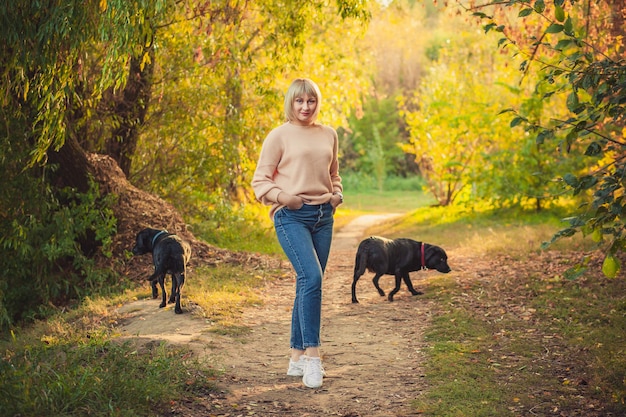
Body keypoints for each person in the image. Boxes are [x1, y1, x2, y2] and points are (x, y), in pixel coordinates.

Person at [251, 78, 343, 389]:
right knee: (313, 279)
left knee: (307, 283)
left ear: (318, 102)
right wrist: (284, 198)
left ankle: (295, 358)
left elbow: (334, 174)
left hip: (323, 217)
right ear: (291, 103)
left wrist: (336, 195)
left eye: (311, 101)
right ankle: (313, 359)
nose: (305, 107)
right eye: (299, 101)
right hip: (291, 216)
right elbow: (260, 181)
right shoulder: (279, 136)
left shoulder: (329, 134)